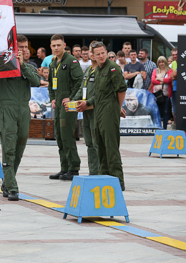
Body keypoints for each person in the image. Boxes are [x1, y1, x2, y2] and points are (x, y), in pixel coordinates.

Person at [0, 34, 40, 201]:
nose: (24, 50)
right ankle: (13, 187)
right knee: (9, 148)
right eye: (20, 48)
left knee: (19, 148)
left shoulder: (30, 67)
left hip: (24, 110)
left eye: (26, 47)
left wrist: (22, 66)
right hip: (7, 109)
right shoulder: (2, 66)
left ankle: (7, 181)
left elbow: (36, 81)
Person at [91, 42, 127, 191]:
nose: (101, 56)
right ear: (93, 56)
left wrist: (118, 108)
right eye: (98, 54)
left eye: (103, 53)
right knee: (100, 145)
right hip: (99, 111)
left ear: (106, 52)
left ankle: (118, 180)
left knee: (111, 146)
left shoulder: (113, 68)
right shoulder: (97, 70)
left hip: (110, 111)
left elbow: (121, 89)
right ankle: (104, 175)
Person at [48, 34, 83, 181]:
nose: (56, 48)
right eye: (54, 45)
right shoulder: (53, 63)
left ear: (64, 45)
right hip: (59, 104)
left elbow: (80, 81)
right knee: (60, 136)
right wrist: (53, 98)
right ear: (51, 46)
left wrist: (72, 98)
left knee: (67, 135)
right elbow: (51, 84)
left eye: (58, 45)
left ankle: (73, 168)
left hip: (69, 105)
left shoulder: (71, 61)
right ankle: (64, 168)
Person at [69, 41, 100, 176]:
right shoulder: (88, 70)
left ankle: (99, 172)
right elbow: (82, 88)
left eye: (96, 53)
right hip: (87, 112)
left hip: (96, 111)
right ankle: (93, 172)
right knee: (89, 143)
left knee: (97, 143)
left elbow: (100, 93)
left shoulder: (101, 70)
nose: (93, 55)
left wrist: (88, 102)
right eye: (92, 52)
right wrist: (73, 101)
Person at [150, 56, 173, 129]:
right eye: (160, 62)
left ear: (165, 62)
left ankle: (165, 127)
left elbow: (169, 79)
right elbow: (153, 80)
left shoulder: (169, 70)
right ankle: (157, 126)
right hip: (156, 94)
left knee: (165, 111)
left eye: (163, 62)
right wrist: (162, 82)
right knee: (157, 111)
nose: (161, 63)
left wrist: (159, 79)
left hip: (166, 94)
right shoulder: (155, 70)